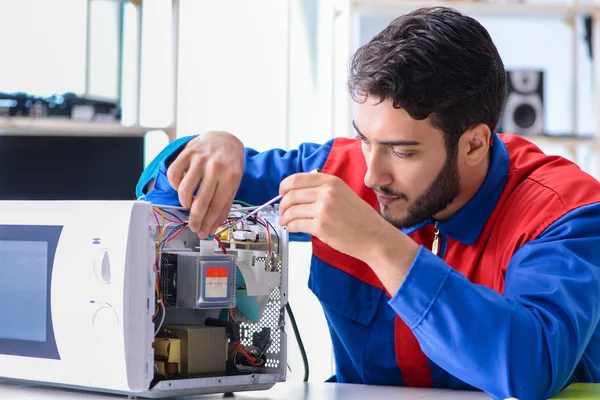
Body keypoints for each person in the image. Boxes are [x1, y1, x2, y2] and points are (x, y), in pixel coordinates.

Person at [137, 6, 600, 400]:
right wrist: (207, 149)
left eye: (403, 151)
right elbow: (160, 211)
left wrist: (379, 245)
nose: (373, 174)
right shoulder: (337, 169)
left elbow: (529, 368)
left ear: (475, 145)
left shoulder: (564, 210)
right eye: (365, 140)